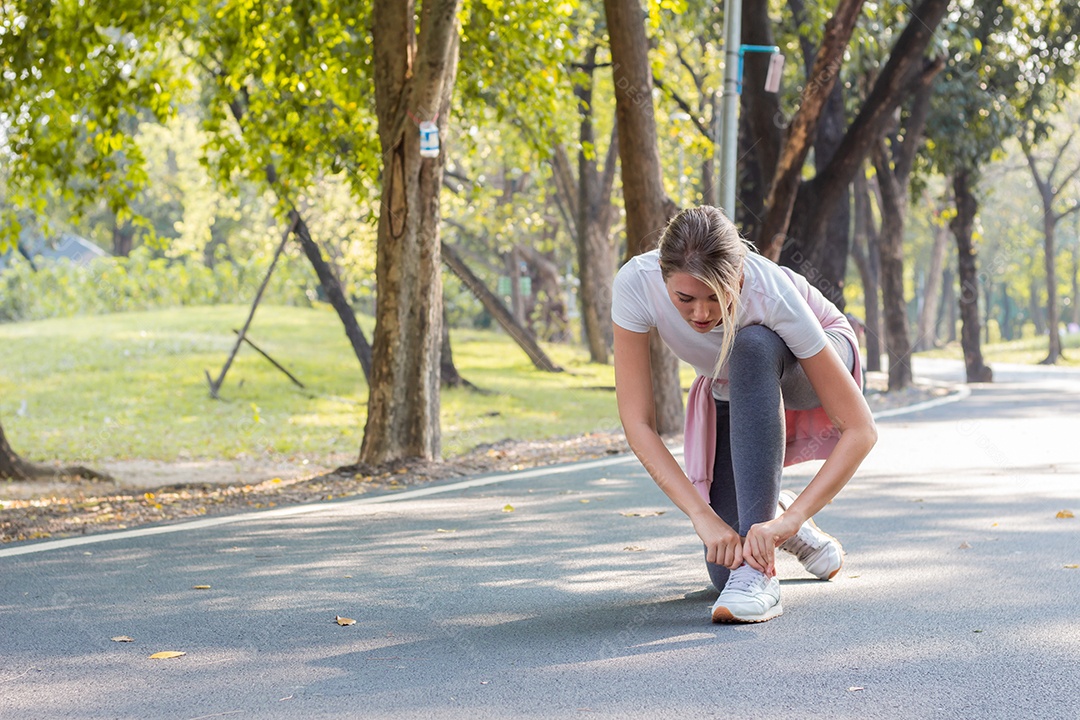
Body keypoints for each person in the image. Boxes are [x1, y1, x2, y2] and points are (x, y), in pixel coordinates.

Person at [611, 206, 877, 624]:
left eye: (716, 298)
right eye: (685, 298)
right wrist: (703, 516)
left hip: (817, 357)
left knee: (750, 345)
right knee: (724, 568)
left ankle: (762, 572)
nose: (701, 314)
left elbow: (860, 429)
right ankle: (767, 513)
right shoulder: (635, 284)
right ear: (662, 278)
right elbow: (638, 422)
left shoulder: (769, 294)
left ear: (738, 278)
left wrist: (790, 521)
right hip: (730, 384)